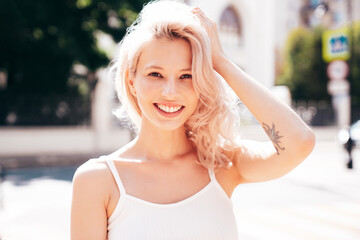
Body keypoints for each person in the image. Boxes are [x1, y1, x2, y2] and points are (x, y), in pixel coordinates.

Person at [70, 1, 316, 239]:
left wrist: (220, 61)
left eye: (186, 76)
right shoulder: (97, 180)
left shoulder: (222, 164)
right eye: (155, 74)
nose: (170, 92)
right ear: (132, 82)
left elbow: (300, 142)